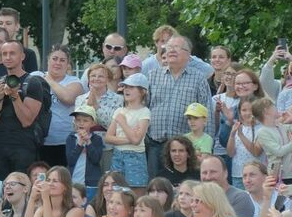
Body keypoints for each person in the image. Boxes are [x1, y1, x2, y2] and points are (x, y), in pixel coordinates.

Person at [144, 36, 212, 180]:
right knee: (156, 188)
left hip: (185, 148)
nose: (171, 51)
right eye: (169, 47)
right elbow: (145, 107)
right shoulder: (152, 76)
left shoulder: (198, 79)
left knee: (185, 189)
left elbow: (207, 113)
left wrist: (206, 148)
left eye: (176, 48)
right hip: (156, 145)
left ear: (188, 54)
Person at [0, 40, 52, 178]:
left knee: (22, 186)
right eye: (4, 54)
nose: (8, 57)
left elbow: (26, 120)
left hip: (24, 145)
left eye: (12, 53)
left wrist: (14, 96)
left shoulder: (33, 82)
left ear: (22, 56)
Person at [35, 46, 84, 168]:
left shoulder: (74, 81)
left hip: (65, 141)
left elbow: (68, 98)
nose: (57, 63)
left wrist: (50, 80)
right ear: (48, 61)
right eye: (54, 59)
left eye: (62, 60)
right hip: (39, 140)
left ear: (68, 64)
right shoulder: (35, 76)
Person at [106, 73, 150, 192]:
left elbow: (137, 140)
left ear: (142, 91)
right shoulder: (119, 110)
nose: (126, 90)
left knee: (136, 193)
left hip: (135, 157)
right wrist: (129, 138)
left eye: (131, 87)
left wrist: (123, 123)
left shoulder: (144, 112)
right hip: (118, 155)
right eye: (125, 87)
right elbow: (108, 137)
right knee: (116, 191)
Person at [66, 105, 104, 200]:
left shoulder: (97, 139)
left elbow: (96, 159)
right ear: (74, 121)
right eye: (78, 120)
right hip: (73, 182)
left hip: (91, 184)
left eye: (85, 121)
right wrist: (79, 144)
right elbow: (70, 161)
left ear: (92, 123)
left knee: (89, 207)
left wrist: (88, 142)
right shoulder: (71, 138)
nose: (81, 123)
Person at [226, 95, 260, 186]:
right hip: (238, 174)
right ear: (240, 112)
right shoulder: (238, 127)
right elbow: (230, 153)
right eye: (244, 110)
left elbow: (256, 152)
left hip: (256, 175)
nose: (248, 113)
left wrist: (241, 135)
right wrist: (232, 135)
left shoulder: (261, 128)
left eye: (251, 110)